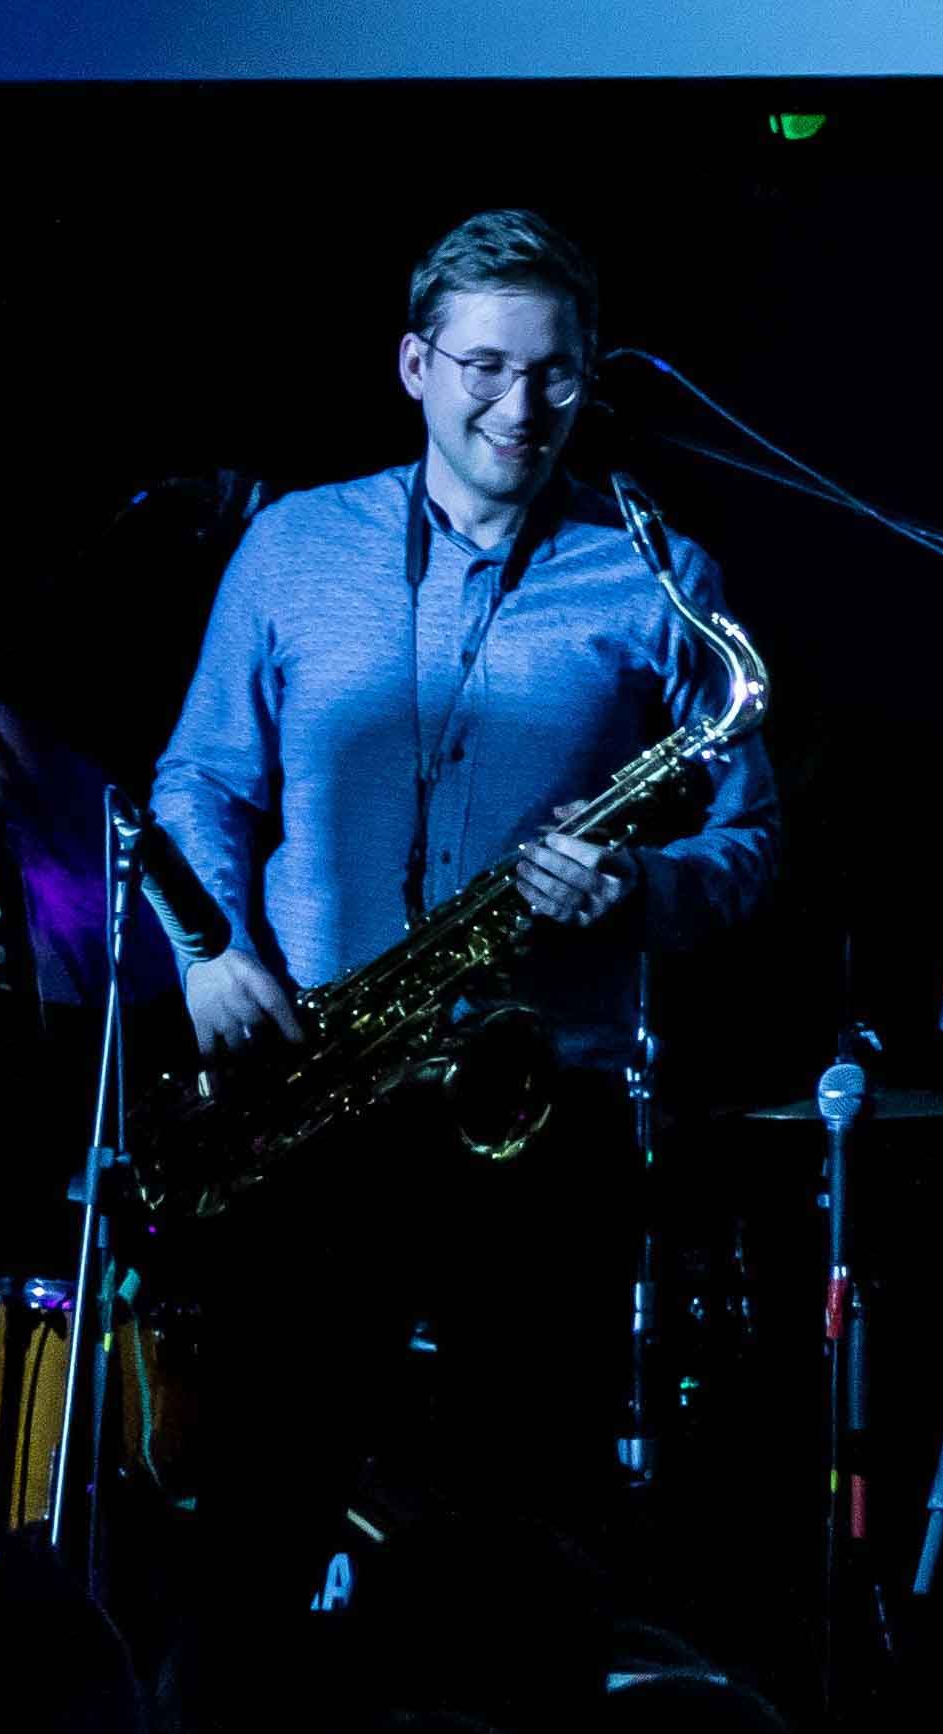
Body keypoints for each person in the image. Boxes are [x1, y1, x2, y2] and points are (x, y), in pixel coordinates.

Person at [148, 207, 778, 1589]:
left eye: (554, 372)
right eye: (485, 366)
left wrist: (636, 885)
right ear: (414, 364)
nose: (520, 406)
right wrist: (210, 953)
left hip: (541, 1116)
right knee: (262, 1521)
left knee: (524, 1541)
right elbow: (197, 782)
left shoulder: (660, 576)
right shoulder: (292, 545)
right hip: (312, 1090)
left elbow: (749, 843)